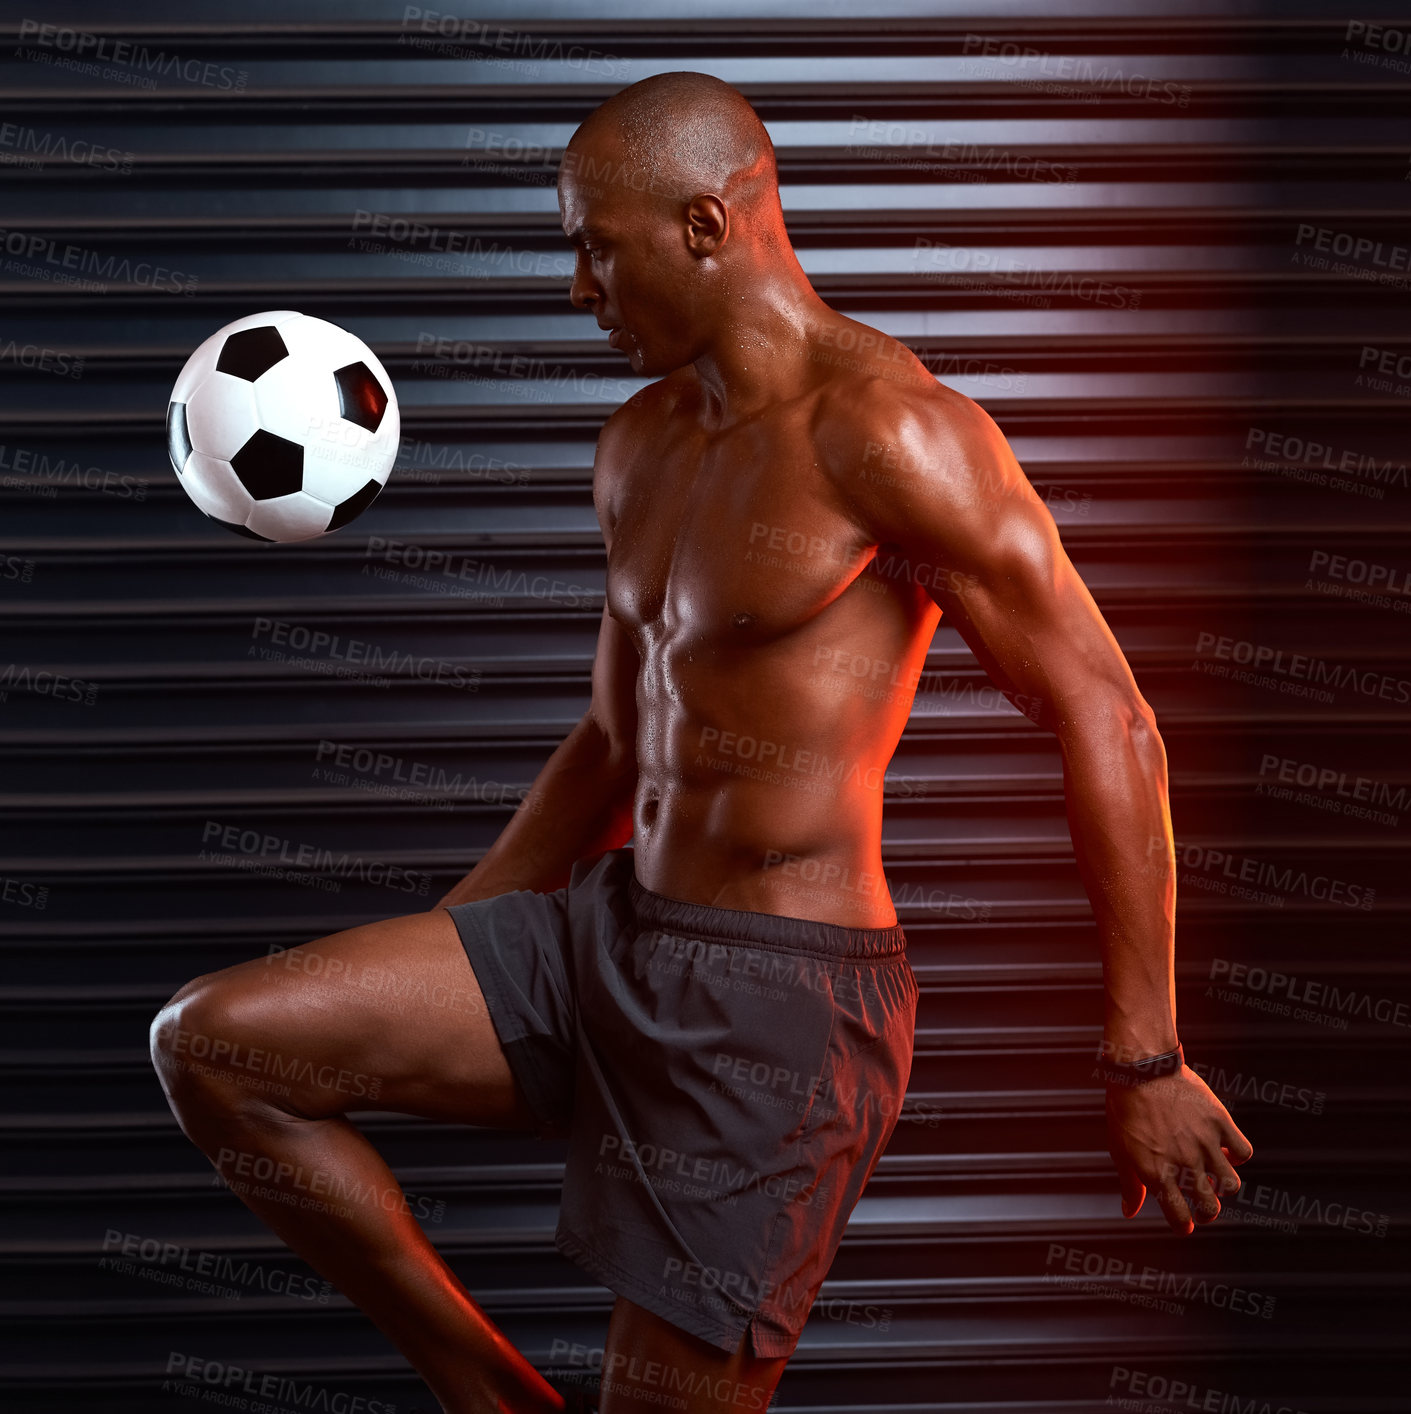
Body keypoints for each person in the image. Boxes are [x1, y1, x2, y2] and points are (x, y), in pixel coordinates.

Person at [151, 71, 1253, 1414]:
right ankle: (488, 1394)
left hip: (779, 1006)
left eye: (593, 247)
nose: (576, 289)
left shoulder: (894, 432)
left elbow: (1105, 710)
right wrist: (463, 932)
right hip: (609, 938)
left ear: (706, 224)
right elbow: (618, 734)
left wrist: (1142, 1050)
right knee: (215, 1045)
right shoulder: (640, 443)